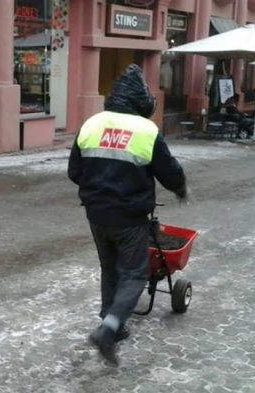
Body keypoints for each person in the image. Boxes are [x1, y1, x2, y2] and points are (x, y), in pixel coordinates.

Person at [67, 64, 188, 366]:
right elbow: (169, 172)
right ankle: (108, 330)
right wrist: (180, 189)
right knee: (135, 272)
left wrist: (99, 187)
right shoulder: (147, 131)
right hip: (130, 217)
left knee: (109, 269)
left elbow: (74, 172)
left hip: (96, 215)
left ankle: (113, 322)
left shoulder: (91, 124)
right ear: (141, 101)